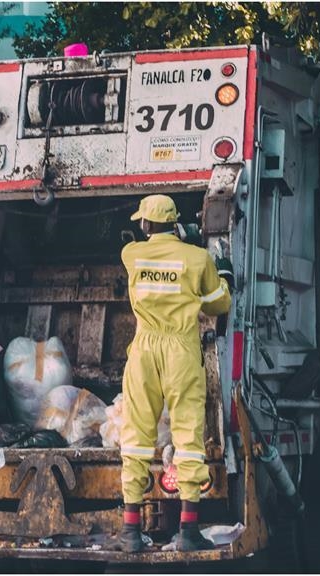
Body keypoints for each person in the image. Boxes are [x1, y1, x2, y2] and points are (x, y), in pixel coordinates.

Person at [118, 194, 233, 552]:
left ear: (146, 225)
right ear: (176, 223)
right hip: (181, 350)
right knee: (187, 437)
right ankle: (188, 530)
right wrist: (223, 271)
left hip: (144, 349)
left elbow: (146, 254)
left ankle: (131, 532)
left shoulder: (131, 255)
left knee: (136, 437)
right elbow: (220, 302)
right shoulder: (197, 259)